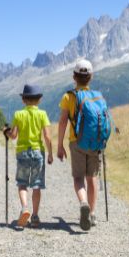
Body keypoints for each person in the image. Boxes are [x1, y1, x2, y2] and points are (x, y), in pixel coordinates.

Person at [57, 59, 99, 231]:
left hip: (76, 142)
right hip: (95, 143)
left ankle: (83, 203)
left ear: (74, 77)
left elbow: (62, 122)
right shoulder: (97, 96)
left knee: (78, 178)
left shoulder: (68, 97)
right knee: (92, 178)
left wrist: (59, 145)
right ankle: (92, 214)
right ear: (91, 77)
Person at [6, 84, 53, 228]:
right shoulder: (42, 114)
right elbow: (47, 136)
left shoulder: (18, 114)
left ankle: (25, 208)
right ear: (39, 100)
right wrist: (50, 154)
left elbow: (13, 136)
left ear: (23, 100)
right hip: (38, 152)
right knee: (37, 185)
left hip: (22, 153)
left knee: (22, 183)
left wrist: (6, 131)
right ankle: (35, 216)